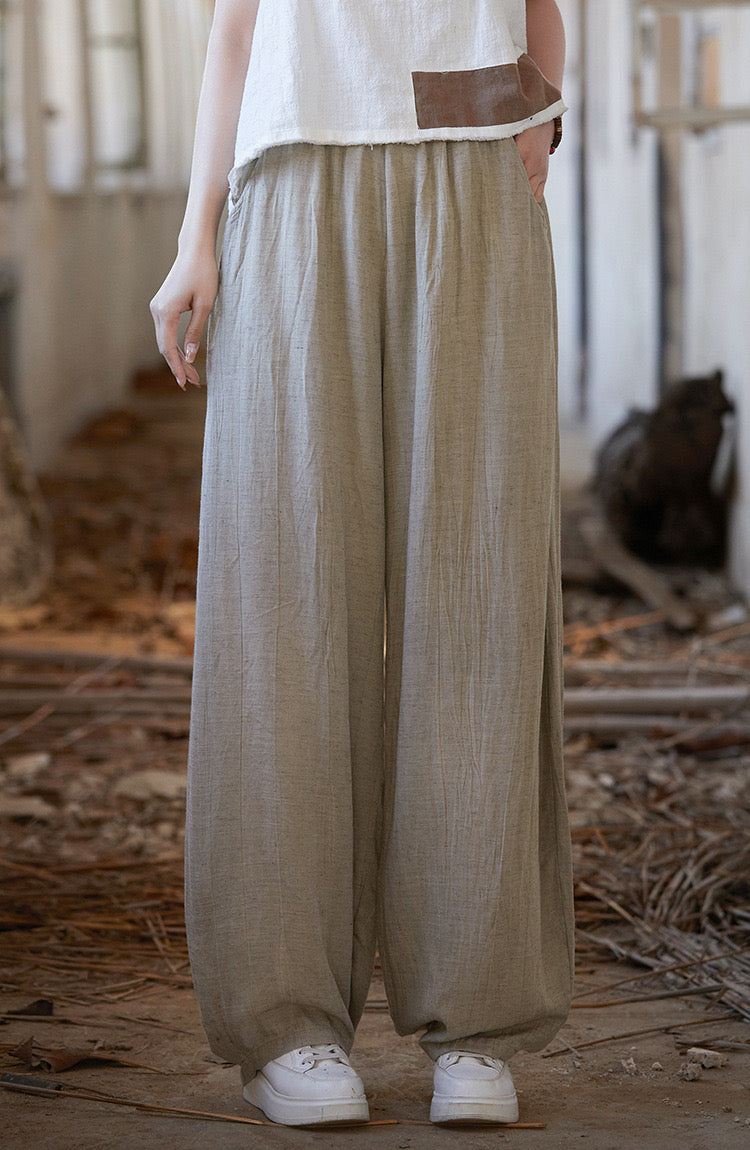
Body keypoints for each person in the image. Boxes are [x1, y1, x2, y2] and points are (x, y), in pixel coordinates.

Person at [150, 0, 575, 1128]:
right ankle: (287, 1019)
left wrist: (544, 106)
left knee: (478, 589)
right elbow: (237, 29)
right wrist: (197, 235)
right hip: (293, 176)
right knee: (282, 594)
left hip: (472, 165)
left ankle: (478, 1018)